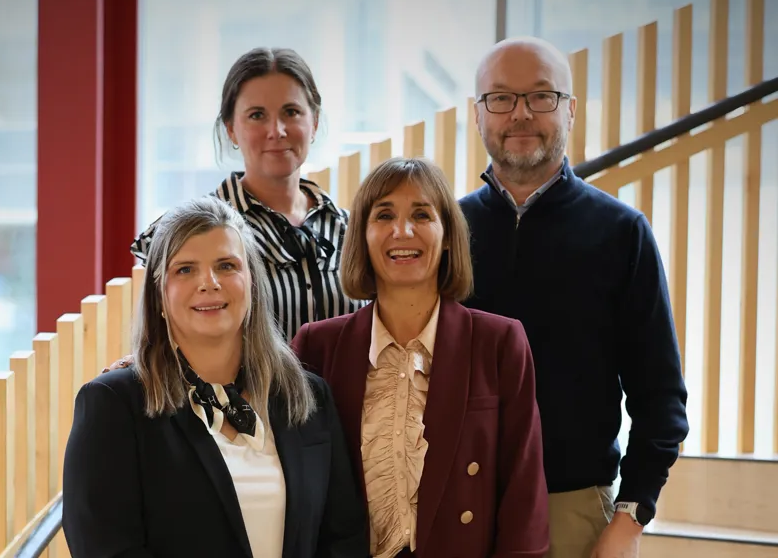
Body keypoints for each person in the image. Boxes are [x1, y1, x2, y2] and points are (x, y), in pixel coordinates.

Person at [459, 36, 689, 558]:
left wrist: (630, 519)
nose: (520, 114)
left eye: (541, 96)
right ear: (477, 115)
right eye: (500, 98)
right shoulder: (445, 231)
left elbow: (661, 395)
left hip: (573, 513)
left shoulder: (621, 233)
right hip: (455, 507)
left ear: (571, 110)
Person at [62, 196, 369, 558]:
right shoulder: (113, 404)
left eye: (226, 265)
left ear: (252, 282)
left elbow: (344, 541)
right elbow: (106, 550)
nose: (208, 283)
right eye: (185, 269)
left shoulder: (308, 396)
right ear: (159, 294)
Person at [291, 158, 549, 558]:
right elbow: (299, 496)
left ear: (447, 235)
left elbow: (523, 494)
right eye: (384, 215)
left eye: (421, 214)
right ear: (362, 234)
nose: (402, 231)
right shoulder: (316, 347)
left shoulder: (498, 342)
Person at [130, 47, 364, 342]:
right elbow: (157, 336)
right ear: (231, 129)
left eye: (291, 112)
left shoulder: (354, 230)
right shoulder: (188, 231)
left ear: (314, 122)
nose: (276, 130)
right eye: (257, 115)